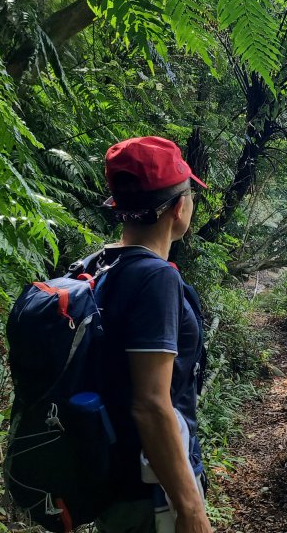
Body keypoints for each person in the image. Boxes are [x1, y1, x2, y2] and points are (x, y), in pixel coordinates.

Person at [92, 136, 212, 533]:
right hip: (152, 494)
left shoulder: (101, 264)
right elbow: (151, 404)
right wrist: (191, 508)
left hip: (115, 480)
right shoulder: (155, 279)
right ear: (178, 208)